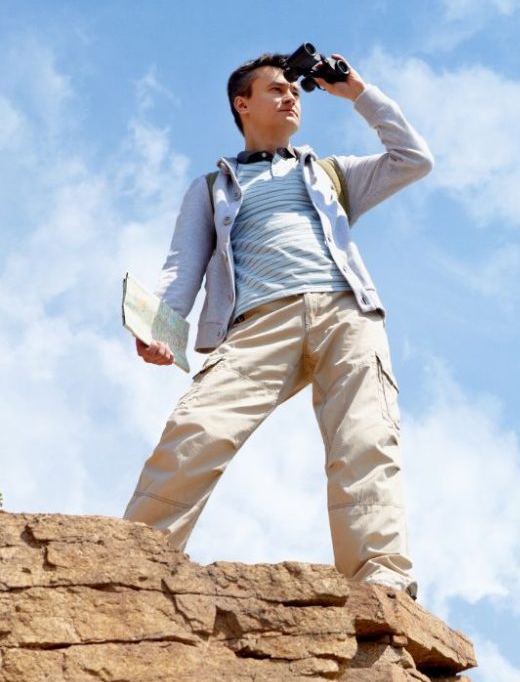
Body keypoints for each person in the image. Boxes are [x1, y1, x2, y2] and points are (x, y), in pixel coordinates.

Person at [123, 51, 432, 600]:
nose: (291, 95)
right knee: (197, 431)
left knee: (365, 442)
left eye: (295, 90)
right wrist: (162, 328)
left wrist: (357, 91)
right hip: (257, 324)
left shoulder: (331, 174)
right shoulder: (212, 187)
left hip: (346, 313)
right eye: (276, 89)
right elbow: (182, 265)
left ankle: (381, 580)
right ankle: (129, 560)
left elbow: (413, 158)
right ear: (242, 104)